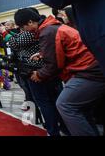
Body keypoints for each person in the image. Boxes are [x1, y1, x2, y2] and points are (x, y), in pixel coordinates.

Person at [15, 8, 105, 136]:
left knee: (65, 105)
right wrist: (42, 53)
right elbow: (61, 47)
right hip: (93, 67)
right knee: (81, 110)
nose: (25, 31)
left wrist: (38, 75)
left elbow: (53, 65)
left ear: (30, 22)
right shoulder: (52, 26)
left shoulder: (47, 31)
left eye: (23, 28)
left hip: (89, 71)